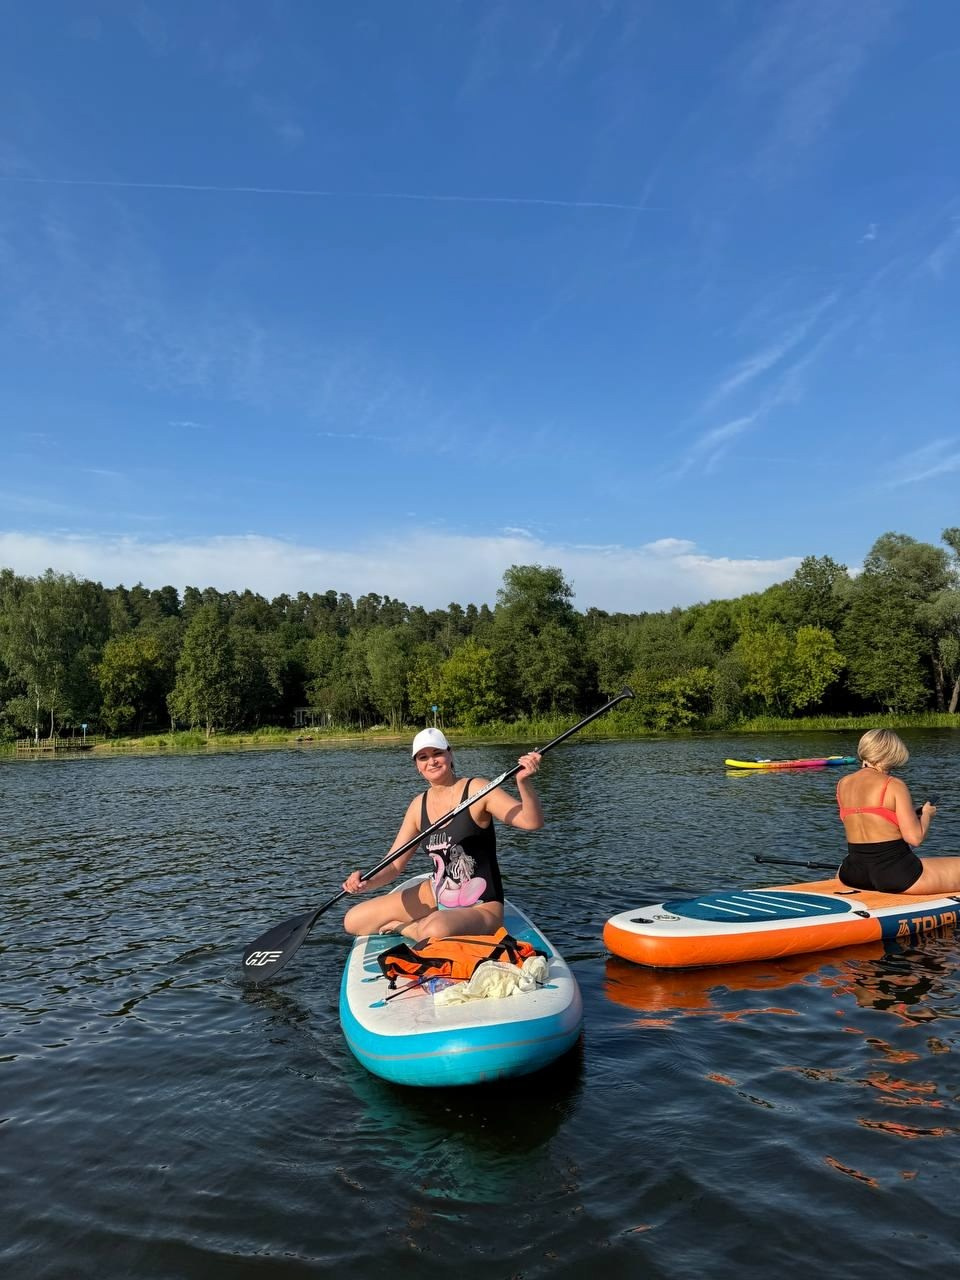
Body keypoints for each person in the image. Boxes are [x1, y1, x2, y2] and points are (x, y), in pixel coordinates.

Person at [341, 727, 544, 941]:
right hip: (436, 893)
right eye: (423, 757)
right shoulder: (418, 805)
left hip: (482, 905)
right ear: (417, 766)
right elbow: (393, 865)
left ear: (450, 754)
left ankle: (405, 928)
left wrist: (524, 782)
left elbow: (531, 821)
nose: (432, 761)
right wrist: (366, 881)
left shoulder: (478, 789)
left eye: (437, 753)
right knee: (354, 920)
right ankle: (427, 921)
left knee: (434, 929)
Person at [836, 728, 959, 894]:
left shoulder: (843, 784)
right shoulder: (893, 784)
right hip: (897, 876)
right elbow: (915, 838)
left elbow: (866, 822)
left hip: (853, 874)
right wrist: (927, 815)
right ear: (888, 756)